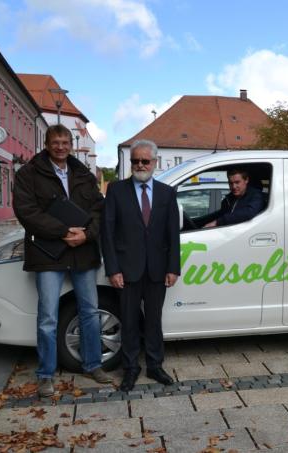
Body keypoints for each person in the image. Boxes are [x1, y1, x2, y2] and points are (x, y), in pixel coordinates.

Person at [12, 124, 112, 397]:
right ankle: (46, 374)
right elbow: (26, 211)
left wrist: (87, 234)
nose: (60, 147)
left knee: (90, 311)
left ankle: (93, 364)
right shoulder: (29, 173)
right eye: (55, 142)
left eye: (65, 143)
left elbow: (99, 209)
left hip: (82, 251)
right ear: (46, 144)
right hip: (48, 252)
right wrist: (63, 231)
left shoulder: (83, 174)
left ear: (71, 145)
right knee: (48, 317)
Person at [101, 139, 181, 392]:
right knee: (129, 322)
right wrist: (113, 269)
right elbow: (107, 233)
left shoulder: (167, 193)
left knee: (154, 321)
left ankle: (155, 366)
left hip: (158, 269)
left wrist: (173, 268)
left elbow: (173, 234)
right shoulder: (116, 190)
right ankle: (131, 368)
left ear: (155, 162)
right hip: (126, 270)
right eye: (135, 160)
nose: (140, 165)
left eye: (145, 161)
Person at [200, 168, 265, 228]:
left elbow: (249, 212)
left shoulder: (256, 196)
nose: (234, 186)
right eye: (231, 183)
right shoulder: (229, 199)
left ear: (246, 180)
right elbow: (218, 215)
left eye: (237, 182)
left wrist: (217, 222)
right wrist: (199, 222)